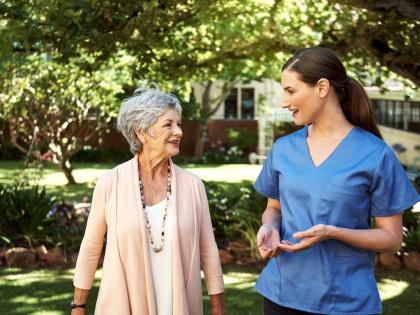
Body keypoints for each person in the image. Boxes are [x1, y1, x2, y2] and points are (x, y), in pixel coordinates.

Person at [254, 46, 420, 315]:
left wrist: (332, 232)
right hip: (281, 295)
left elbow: (391, 239)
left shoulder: (375, 154)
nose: (283, 102)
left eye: (291, 91)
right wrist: (271, 227)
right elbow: (274, 208)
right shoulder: (283, 149)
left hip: (345, 302)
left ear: (322, 87)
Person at [71, 87, 225, 315]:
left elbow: (208, 250)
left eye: (179, 124)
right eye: (168, 124)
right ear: (141, 132)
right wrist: (78, 306)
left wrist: (217, 308)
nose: (179, 132)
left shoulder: (193, 186)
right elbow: (91, 247)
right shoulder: (110, 183)